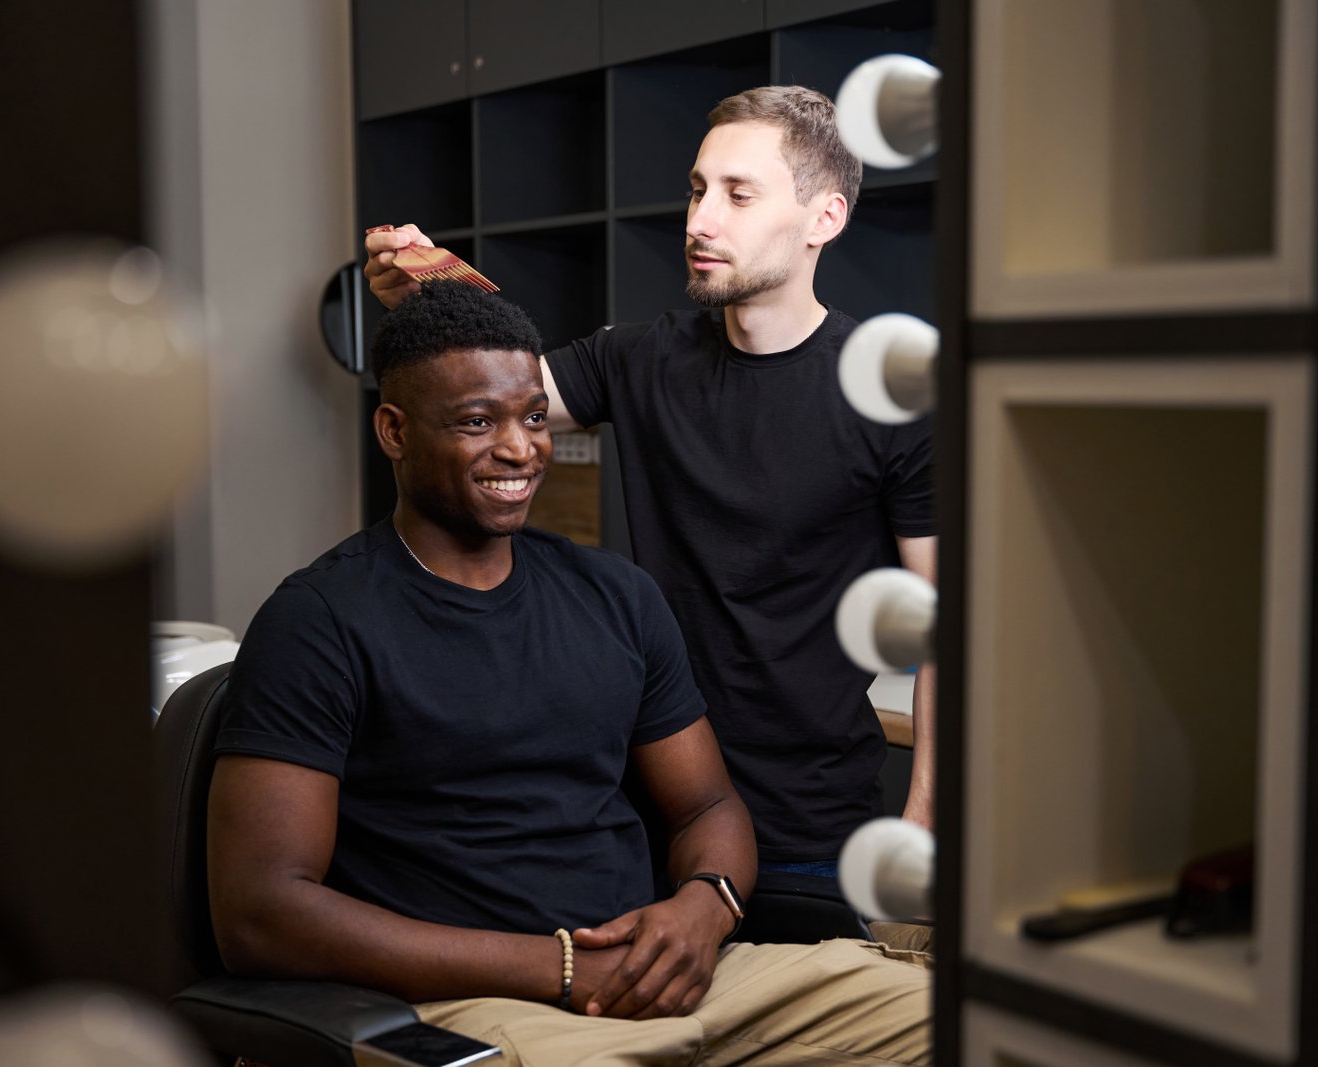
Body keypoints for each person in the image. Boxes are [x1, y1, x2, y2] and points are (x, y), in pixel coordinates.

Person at [207, 281, 930, 1066]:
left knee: (966, 1014)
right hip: (480, 1006)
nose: (520, 449)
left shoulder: (616, 596)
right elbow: (261, 912)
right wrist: (562, 965)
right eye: (478, 422)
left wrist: (703, 907)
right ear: (395, 430)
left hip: (670, 976)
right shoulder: (319, 621)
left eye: (533, 417)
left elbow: (708, 804)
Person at [365, 85, 937, 889]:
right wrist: (436, 294)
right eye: (700, 190)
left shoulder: (891, 394)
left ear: (825, 220)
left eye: (740, 195)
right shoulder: (638, 359)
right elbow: (504, 395)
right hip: (645, 814)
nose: (701, 221)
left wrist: (924, 819)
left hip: (810, 831)